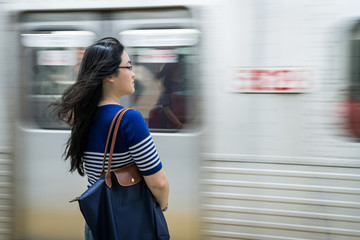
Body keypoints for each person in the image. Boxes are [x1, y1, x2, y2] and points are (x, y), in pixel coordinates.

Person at [52, 37, 169, 239]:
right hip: (127, 224)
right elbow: (158, 183)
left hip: (96, 224)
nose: (133, 74)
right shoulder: (129, 119)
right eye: (128, 67)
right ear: (109, 75)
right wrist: (162, 207)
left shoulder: (83, 116)